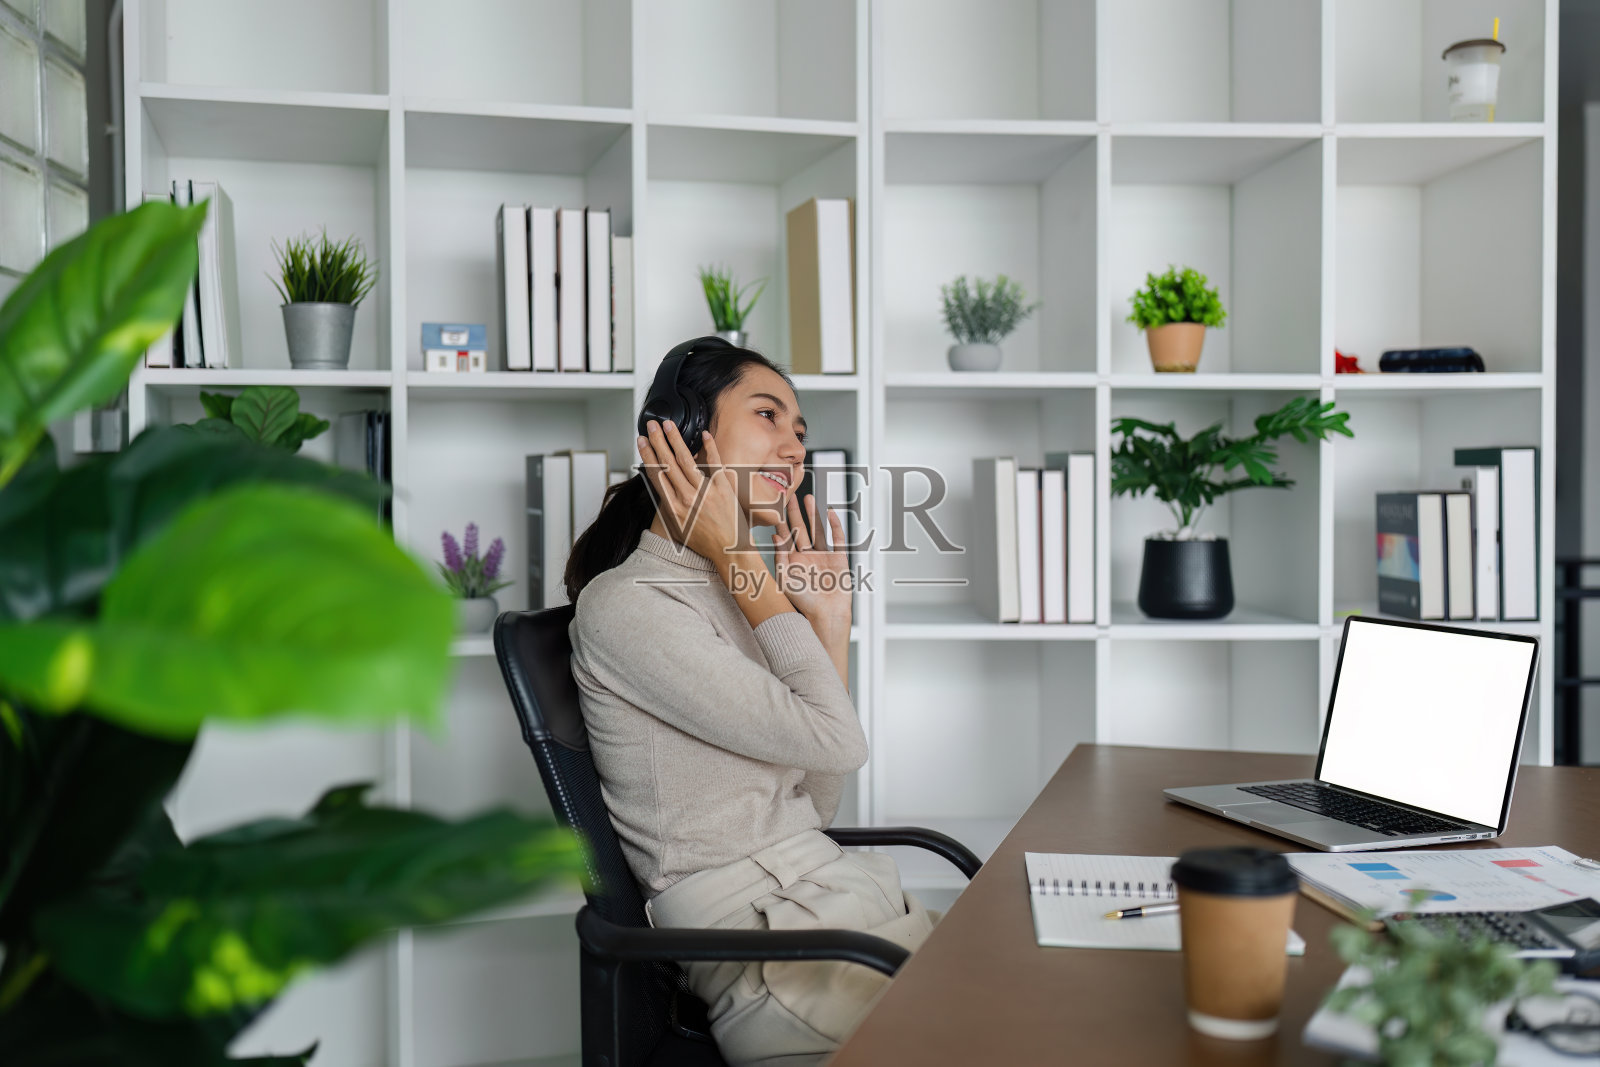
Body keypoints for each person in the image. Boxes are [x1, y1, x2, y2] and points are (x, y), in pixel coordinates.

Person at [563, 337, 936, 1066]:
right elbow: (841, 744)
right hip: (778, 962)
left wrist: (827, 622)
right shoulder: (628, 606)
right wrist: (746, 567)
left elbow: (811, 802)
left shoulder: (731, 597)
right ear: (679, 432)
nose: (795, 448)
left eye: (801, 430)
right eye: (768, 415)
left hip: (834, 917)